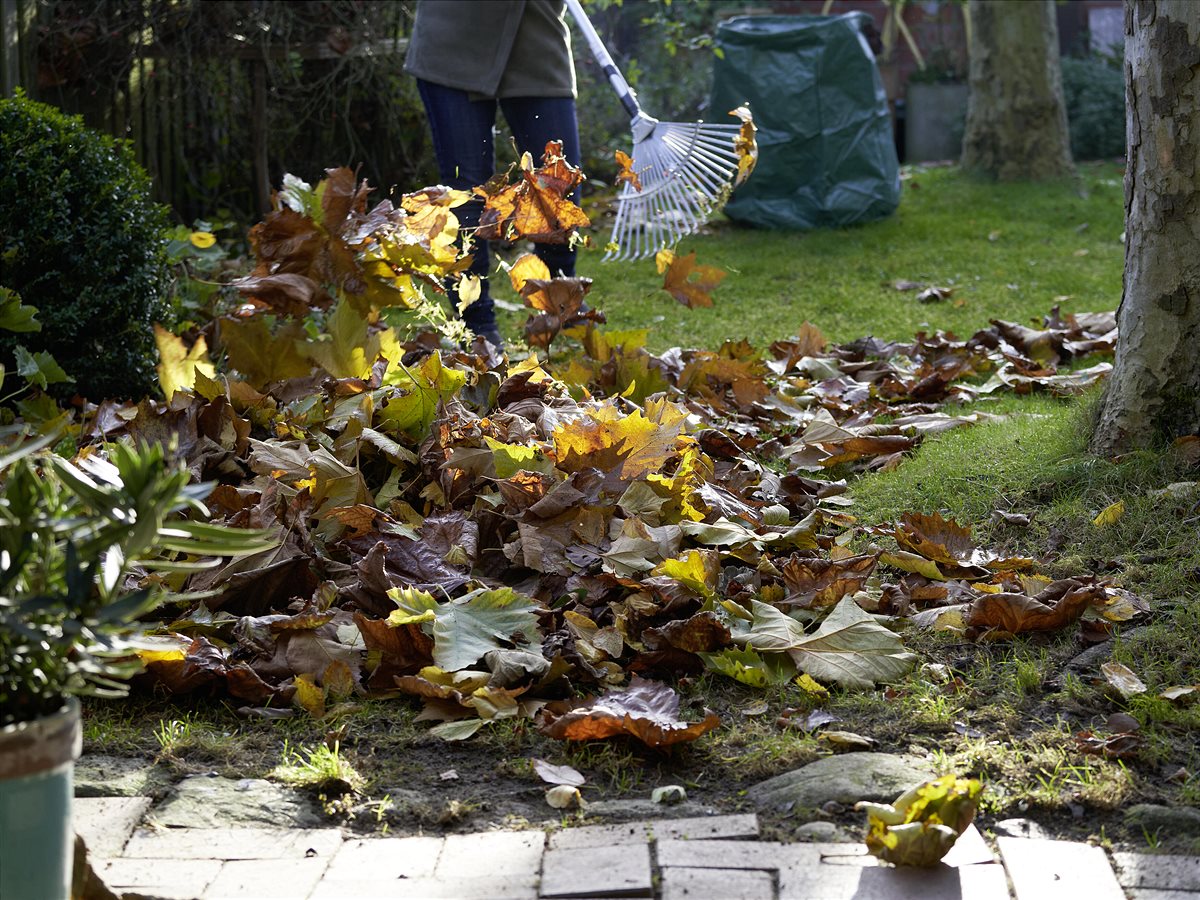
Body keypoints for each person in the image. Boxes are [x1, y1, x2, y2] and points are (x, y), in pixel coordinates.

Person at [404, 0, 582, 348]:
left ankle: (559, 303)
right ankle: (477, 324)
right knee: (467, 190)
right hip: (455, 34)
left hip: (536, 32)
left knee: (559, 184)